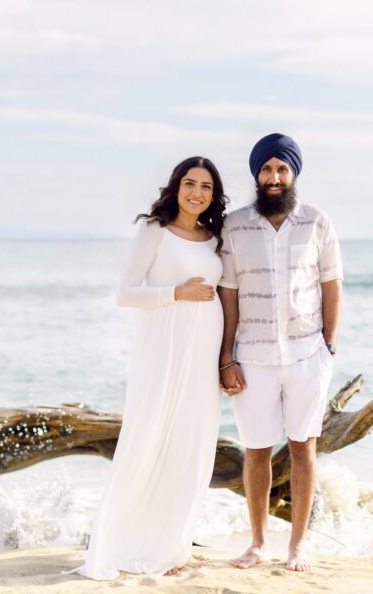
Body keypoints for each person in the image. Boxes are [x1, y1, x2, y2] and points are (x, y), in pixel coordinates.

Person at [75, 156, 228, 580]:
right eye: (190, 183)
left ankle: (173, 545)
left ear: (213, 195)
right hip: (163, 349)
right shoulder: (155, 230)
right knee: (150, 437)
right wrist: (176, 292)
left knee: (192, 445)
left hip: (202, 355)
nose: (197, 193)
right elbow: (125, 293)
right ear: (176, 186)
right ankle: (125, 543)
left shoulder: (214, 237)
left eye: (206, 187)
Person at [217, 133, 343, 572]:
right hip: (252, 356)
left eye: (282, 169)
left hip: (308, 354)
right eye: (267, 170)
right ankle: (257, 543)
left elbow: (332, 283)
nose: (274, 178)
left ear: (293, 174)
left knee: (304, 447)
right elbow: (228, 293)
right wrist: (226, 357)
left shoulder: (317, 222)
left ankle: (298, 546)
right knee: (256, 450)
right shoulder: (234, 226)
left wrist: (329, 345)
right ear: (256, 174)